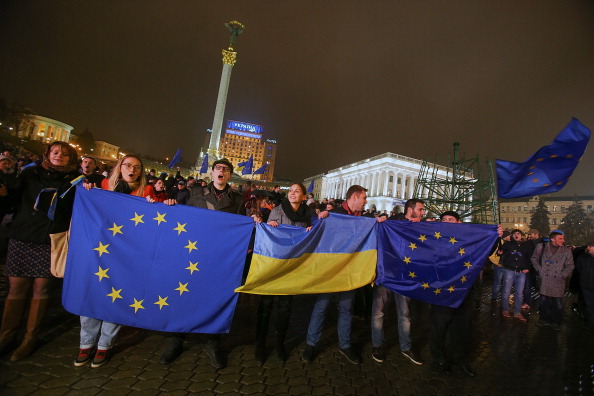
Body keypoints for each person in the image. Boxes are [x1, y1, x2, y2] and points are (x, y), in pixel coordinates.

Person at [159, 158, 248, 368]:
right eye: (218, 168)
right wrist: (172, 205)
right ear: (212, 172)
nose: (221, 172)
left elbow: (239, 227)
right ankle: (178, 339)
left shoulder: (237, 199)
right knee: (184, 293)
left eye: (226, 170)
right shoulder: (195, 193)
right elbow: (182, 217)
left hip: (219, 256)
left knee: (214, 297)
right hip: (193, 251)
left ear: (229, 175)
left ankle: (213, 341)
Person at [0, 142, 80, 361]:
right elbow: (12, 201)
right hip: (23, 234)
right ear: (47, 154)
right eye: (55, 152)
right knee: (15, 289)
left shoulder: (75, 181)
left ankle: (30, 339)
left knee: (41, 289)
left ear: (71, 158)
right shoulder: (30, 174)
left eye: (65, 154)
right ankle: (6, 337)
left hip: (50, 239)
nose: (59, 156)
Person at [75, 154, 152, 368]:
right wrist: (88, 194)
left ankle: (105, 345)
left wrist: (163, 204)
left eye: (137, 167)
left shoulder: (147, 192)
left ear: (141, 171)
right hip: (100, 250)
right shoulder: (102, 186)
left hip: (128, 254)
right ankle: (86, 343)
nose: (132, 170)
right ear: (120, 167)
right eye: (128, 165)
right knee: (93, 294)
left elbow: (156, 220)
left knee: (117, 297)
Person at [302, 185, 386, 365]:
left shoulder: (366, 219)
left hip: (350, 271)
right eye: (364, 198)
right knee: (321, 306)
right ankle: (311, 344)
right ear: (354, 197)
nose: (365, 202)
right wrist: (318, 219)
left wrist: (380, 221)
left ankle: (345, 345)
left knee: (346, 308)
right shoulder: (334, 214)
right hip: (331, 270)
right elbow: (315, 228)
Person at [255, 183, 327, 365]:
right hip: (273, 267)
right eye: (291, 191)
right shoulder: (277, 211)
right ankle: (260, 346)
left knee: (285, 309)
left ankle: (279, 344)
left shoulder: (308, 214)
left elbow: (316, 231)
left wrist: (312, 230)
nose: (293, 193)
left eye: (297, 191)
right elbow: (267, 238)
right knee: (265, 307)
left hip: (292, 268)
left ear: (304, 197)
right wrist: (270, 227)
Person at [371, 198, 425, 366]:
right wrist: (378, 220)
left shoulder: (422, 227)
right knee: (379, 312)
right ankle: (377, 345)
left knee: (405, 314)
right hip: (387, 273)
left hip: (406, 277)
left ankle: (406, 347)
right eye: (421, 209)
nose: (423, 212)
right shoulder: (393, 222)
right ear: (410, 210)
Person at [429, 211, 478, 377]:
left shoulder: (468, 238)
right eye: (444, 219)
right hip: (442, 290)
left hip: (463, 290)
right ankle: (439, 359)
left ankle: (459, 359)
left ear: (459, 222)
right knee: (439, 326)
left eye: (450, 219)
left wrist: (496, 234)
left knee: (461, 328)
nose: (447, 222)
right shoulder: (435, 238)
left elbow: (484, 246)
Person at [532, 230, 574, 330]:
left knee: (558, 304)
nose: (563, 240)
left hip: (558, 280)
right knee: (543, 302)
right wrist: (539, 269)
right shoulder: (541, 247)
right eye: (560, 238)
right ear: (552, 239)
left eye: (563, 238)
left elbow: (570, 266)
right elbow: (534, 259)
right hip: (545, 279)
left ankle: (555, 322)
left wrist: (563, 275)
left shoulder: (566, 251)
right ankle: (543, 320)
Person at [499, 229, 530, 322]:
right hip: (509, 270)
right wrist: (499, 252)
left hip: (521, 272)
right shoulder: (507, 244)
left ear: (521, 235)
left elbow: (529, 257)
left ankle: (517, 312)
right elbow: (501, 253)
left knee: (519, 293)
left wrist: (527, 267)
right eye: (514, 234)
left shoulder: (525, 245)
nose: (516, 235)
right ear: (512, 236)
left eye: (518, 233)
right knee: (506, 291)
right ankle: (505, 309)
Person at [575, 241, 594, 327]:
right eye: (588, 246)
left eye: (591, 246)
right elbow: (579, 269)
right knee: (589, 305)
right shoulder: (582, 257)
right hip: (586, 285)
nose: (588, 248)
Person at [523, 229, 542, 310]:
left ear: (536, 234)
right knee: (527, 286)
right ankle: (527, 302)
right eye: (529, 234)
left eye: (531, 234)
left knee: (542, 286)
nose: (529, 236)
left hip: (541, 268)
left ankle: (543, 304)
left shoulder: (544, 243)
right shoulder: (526, 243)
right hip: (529, 268)